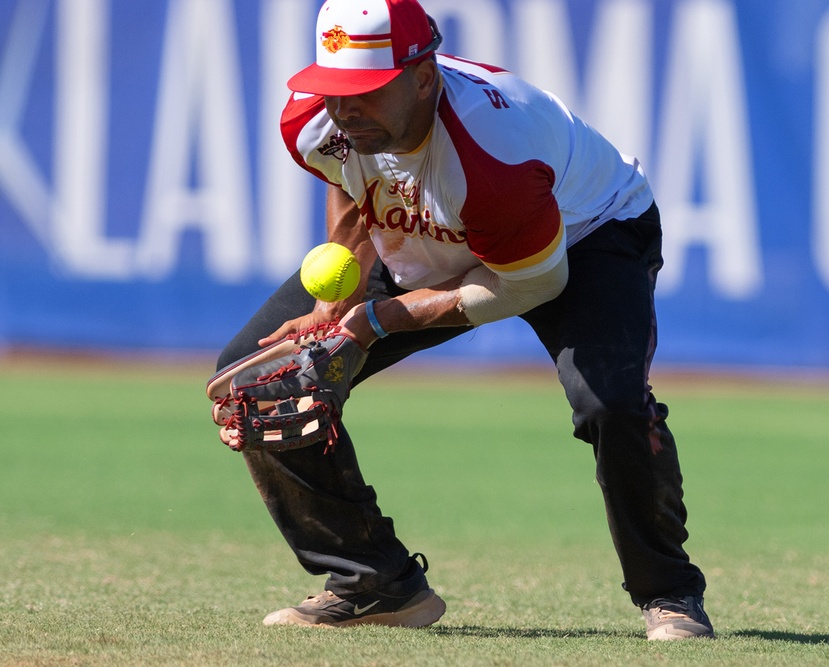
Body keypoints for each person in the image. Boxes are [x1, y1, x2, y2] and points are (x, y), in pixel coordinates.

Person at [215, 0, 713, 641]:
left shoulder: (493, 154)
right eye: (333, 89)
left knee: (608, 402)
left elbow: (529, 283)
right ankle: (373, 583)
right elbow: (345, 169)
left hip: (582, 235)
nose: (343, 110)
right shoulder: (318, 118)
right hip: (439, 222)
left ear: (424, 77)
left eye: (364, 92)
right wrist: (333, 298)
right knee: (256, 380)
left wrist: (371, 323)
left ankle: (668, 592)